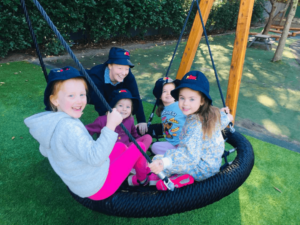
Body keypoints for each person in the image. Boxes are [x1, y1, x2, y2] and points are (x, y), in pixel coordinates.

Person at [24, 66, 154, 201]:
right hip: (98, 187)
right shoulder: (69, 127)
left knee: (121, 147)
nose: (79, 100)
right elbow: (95, 158)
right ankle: (141, 180)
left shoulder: (52, 124)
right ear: (55, 100)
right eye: (71, 95)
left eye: (82, 94)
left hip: (84, 181)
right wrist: (110, 126)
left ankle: (130, 169)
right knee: (139, 147)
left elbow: (44, 150)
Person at [149, 71, 234, 191]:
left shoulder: (195, 124)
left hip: (200, 168)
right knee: (167, 157)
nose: (185, 103)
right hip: (211, 163)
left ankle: (178, 178)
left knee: (159, 158)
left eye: (192, 99)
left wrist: (164, 162)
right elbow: (225, 119)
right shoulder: (213, 112)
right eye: (182, 98)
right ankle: (168, 173)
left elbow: (188, 157)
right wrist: (228, 116)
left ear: (202, 101)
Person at [87, 47, 148, 135]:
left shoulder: (128, 75)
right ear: (110, 65)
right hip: (92, 94)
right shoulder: (96, 75)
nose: (123, 73)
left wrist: (141, 120)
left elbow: (135, 96)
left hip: (114, 93)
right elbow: (100, 105)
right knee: (106, 120)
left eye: (126, 69)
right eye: (120, 68)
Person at [85, 88, 152, 152]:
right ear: (113, 107)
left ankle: (136, 156)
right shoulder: (102, 120)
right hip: (109, 152)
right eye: (120, 105)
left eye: (128, 107)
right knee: (119, 146)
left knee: (148, 138)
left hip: (126, 149)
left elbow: (134, 135)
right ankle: (132, 159)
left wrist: (141, 143)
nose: (124, 109)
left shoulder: (130, 120)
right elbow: (87, 131)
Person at [151, 77, 186, 155]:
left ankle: (179, 156)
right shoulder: (163, 111)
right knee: (155, 147)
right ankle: (178, 156)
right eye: (164, 91)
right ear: (159, 95)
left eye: (171, 91)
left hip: (184, 142)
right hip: (171, 144)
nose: (168, 93)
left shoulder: (181, 104)